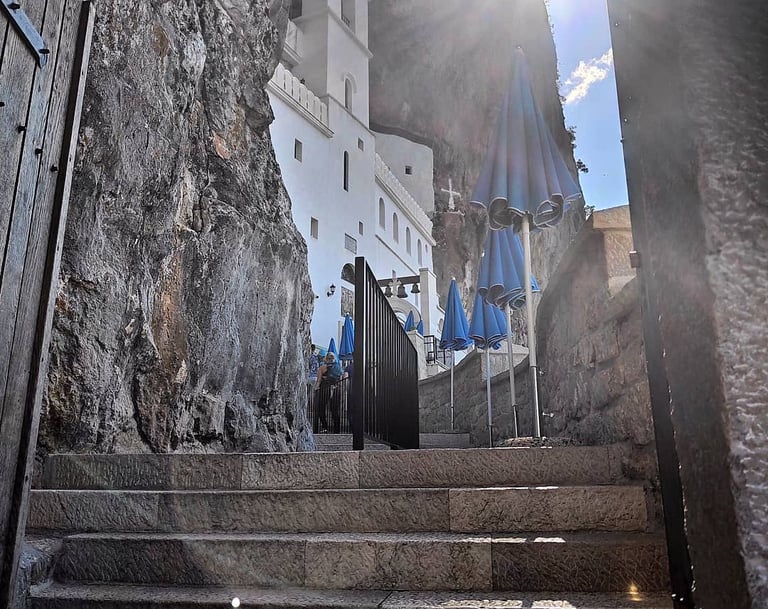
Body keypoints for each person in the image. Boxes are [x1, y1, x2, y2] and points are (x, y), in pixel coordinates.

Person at [314, 352, 342, 433]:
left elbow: (318, 381)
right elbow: (341, 379)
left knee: (321, 408)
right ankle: (337, 429)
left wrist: (316, 389)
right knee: (334, 410)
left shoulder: (322, 368)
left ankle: (325, 427)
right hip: (336, 389)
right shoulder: (338, 368)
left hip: (325, 389)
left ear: (326, 359)